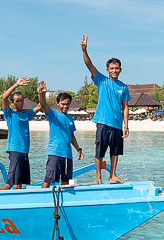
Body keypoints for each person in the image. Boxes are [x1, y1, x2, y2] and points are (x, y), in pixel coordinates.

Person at [80, 35, 131, 184]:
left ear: (120, 69)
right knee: (100, 151)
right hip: (102, 122)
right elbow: (89, 64)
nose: (114, 70)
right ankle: (98, 177)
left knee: (115, 152)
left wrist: (126, 126)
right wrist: (84, 50)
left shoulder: (123, 87)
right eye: (112, 68)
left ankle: (112, 175)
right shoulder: (102, 80)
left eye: (117, 68)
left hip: (117, 124)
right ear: (107, 70)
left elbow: (125, 107)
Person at [35, 81, 83, 186]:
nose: (65, 106)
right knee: (48, 180)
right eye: (63, 104)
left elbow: (71, 136)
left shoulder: (70, 118)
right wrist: (41, 93)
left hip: (67, 155)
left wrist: (78, 149)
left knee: (66, 182)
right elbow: (43, 104)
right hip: (55, 153)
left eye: (67, 104)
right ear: (58, 103)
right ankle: (44, 200)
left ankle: (63, 201)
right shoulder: (53, 114)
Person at [0, 76, 35, 189]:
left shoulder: (26, 114)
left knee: (18, 181)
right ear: (12, 102)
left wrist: (41, 92)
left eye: (21, 100)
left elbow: (40, 106)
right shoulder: (9, 114)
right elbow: (4, 97)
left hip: (24, 151)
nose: (20, 103)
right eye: (17, 101)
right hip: (15, 150)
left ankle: (16, 201)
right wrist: (16, 84)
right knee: (10, 181)